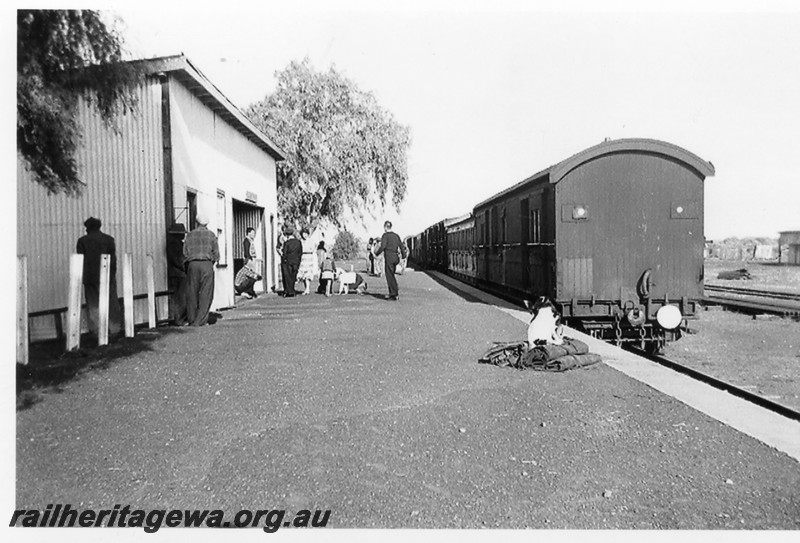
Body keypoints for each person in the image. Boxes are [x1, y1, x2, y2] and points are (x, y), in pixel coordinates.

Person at [76, 217, 122, 338]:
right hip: (107, 276)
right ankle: (114, 329)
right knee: (111, 303)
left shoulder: (82, 241)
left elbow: (80, 260)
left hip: (90, 278)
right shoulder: (109, 240)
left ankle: (97, 331)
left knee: (93, 304)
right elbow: (114, 261)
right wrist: (112, 276)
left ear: (88, 228)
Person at [183, 214, 219, 326]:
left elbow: (184, 252)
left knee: (192, 292)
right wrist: (211, 262)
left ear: (196, 222)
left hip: (192, 264)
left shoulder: (189, 235)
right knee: (206, 292)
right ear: (207, 224)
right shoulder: (211, 235)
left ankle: (192, 318)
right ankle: (200, 320)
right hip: (206, 264)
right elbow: (216, 254)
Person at [373, 220, 408, 301]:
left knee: (389, 276)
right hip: (396, 257)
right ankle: (394, 291)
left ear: (385, 227)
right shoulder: (396, 236)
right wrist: (404, 255)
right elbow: (401, 246)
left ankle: (393, 294)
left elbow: (383, 246)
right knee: (391, 275)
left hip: (389, 257)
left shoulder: (385, 236)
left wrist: (377, 253)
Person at [166, 223, 188, 326]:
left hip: (176, 273)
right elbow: (178, 260)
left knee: (178, 297)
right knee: (180, 297)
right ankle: (179, 319)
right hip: (178, 274)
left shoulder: (174, 243)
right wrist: (186, 268)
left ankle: (178, 318)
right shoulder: (174, 245)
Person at [280, 227, 303, 297]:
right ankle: (292, 290)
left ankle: (289, 291)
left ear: (287, 235)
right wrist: (298, 260)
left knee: (288, 276)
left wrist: (283, 259)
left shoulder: (287, 243)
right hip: (296, 261)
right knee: (293, 276)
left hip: (288, 262)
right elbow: (300, 252)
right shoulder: (298, 242)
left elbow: (285, 253)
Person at [297, 229, 318, 295]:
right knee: (303, 274)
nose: (304, 235)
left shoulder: (311, 241)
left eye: (306, 234)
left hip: (309, 257)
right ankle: (306, 288)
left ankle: (307, 288)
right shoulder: (300, 241)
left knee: (308, 274)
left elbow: (314, 248)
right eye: (303, 234)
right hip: (302, 257)